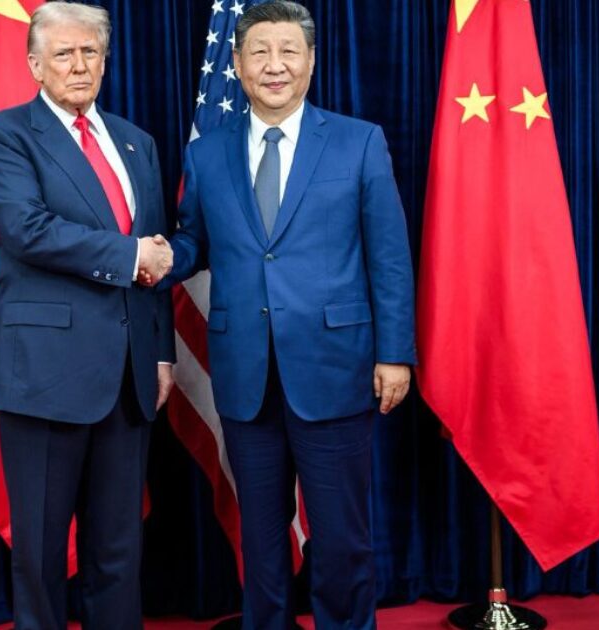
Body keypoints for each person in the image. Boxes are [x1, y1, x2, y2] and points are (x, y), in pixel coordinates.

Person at [162, 2, 415, 628]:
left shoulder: (359, 141)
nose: (274, 66)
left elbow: (388, 258)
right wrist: (157, 256)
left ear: (309, 61)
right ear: (239, 65)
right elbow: (195, 242)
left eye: (288, 51)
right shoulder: (208, 153)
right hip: (245, 371)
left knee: (342, 536)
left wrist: (395, 354)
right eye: (259, 53)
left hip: (336, 367)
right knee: (262, 537)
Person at [0, 2, 175, 628]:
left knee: (119, 547)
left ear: (106, 61)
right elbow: (26, 230)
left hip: (130, 371)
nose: (79, 64)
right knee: (40, 549)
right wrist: (131, 252)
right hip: (44, 373)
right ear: (35, 64)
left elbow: (156, 258)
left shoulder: (138, 142)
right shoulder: (3, 135)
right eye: (63, 53)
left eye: (91, 52)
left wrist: (161, 349)